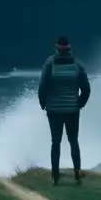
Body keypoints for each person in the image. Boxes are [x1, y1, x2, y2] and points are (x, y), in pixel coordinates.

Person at [37, 35, 90, 185]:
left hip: (54, 110)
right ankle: (77, 175)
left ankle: (55, 176)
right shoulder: (77, 64)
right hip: (72, 110)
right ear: (69, 49)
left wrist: (43, 103)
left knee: (56, 142)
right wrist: (80, 103)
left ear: (56, 48)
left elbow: (43, 86)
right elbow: (86, 89)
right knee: (73, 141)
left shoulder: (50, 63)